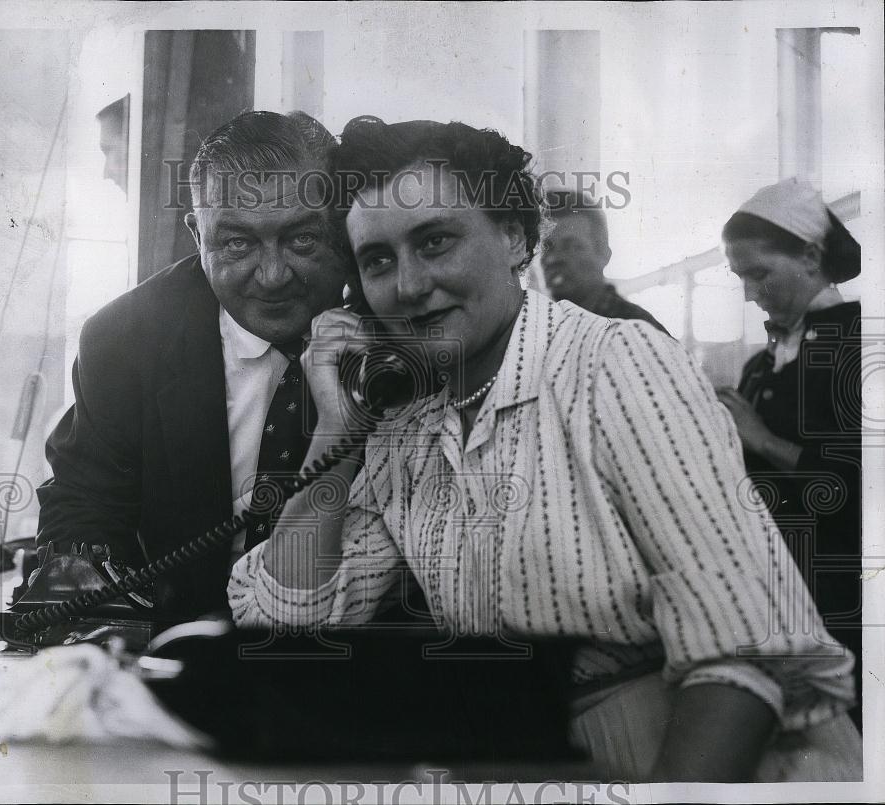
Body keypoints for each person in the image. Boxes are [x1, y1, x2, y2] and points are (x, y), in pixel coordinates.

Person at [228, 118, 860, 782]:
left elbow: (748, 653)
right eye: (378, 260)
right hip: (538, 761)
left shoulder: (615, 361)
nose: (408, 285)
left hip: (702, 755)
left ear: (514, 237)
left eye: (435, 241)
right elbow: (288, 623)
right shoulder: (405, 427)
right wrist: (337, 429)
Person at [34, 111, 350, 621]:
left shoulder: (399, 321)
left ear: (343, 227)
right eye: (237, 243)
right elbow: (82, 503)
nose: (272, 276)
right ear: (197, 236)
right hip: (175, 644)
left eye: (303, 240)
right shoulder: (124, 340)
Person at [717, 177, 862, 725]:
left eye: (759, 274)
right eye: (740, 278)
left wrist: (761, 440)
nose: (750, 293)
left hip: (841, 605)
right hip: (773, 597)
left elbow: (859, 491)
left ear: (810, 256)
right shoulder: (760, 365)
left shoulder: (859, 345)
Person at [540, 191, 669, 334]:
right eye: (546, 247)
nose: (553, 259)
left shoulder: (635, 330)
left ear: (604, 255)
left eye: (573, 247)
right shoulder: (544, 327)